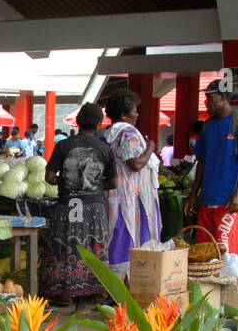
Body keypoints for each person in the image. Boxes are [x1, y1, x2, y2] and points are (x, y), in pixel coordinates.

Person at [40, 103, 117, 311]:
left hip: (68, 206)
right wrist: (92, 186)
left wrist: (65, 183)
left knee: (66, 246)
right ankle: (85, 301)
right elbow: (113, 183)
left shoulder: (63, 145)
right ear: (99, 124)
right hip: (94, 208)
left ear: (78, 122)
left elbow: (48, 177)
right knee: (91, 248)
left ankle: (66, 295)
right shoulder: (104, 148)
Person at [184, 80, 238, 254]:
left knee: (226, 255)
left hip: (228, 202)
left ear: (223, 97)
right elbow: (201, 162)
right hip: (206, 201)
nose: (206, 102)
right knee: (204, 254)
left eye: (210, 98)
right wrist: (194, 195)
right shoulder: (207, 126)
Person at [99, 90, 161, 278]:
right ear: (125, 114)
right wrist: (151, 146)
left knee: (116, 236)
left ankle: (112, 282)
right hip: (131, 197)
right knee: (130, 237)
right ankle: (134, 282)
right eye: (135, 110)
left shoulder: (106, 134)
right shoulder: (128, 133)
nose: (137, 114)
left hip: (113, 195)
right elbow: (135, 163)